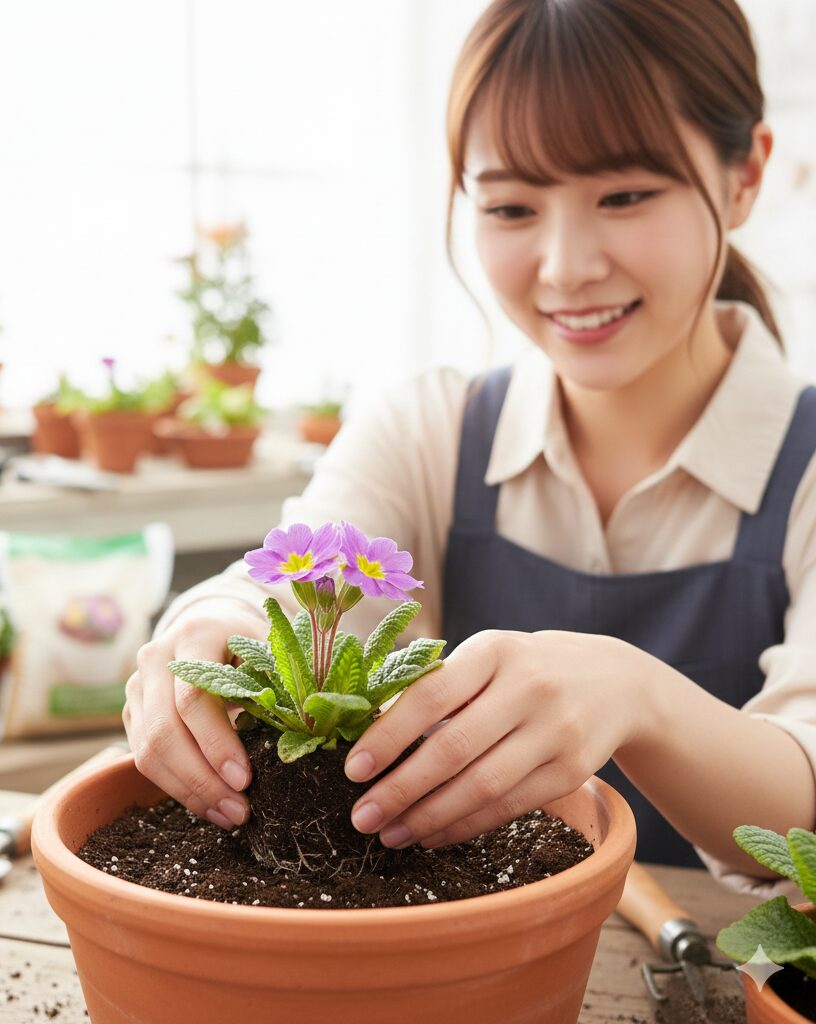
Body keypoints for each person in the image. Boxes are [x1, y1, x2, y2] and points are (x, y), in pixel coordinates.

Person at [124, 0, 816, 896]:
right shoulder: (428, 431)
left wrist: (639, 699)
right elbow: (273, 593)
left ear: (742, 175)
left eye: (626, 196)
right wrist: (209, 634)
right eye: (512, 207)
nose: (566, 266)